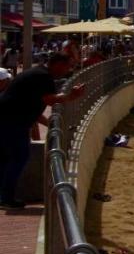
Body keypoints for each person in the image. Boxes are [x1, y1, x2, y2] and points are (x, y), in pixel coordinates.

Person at [0, 53, 86, 208]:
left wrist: (49, 123)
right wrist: (70, 96)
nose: (68, 70)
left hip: (9, 120)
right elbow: (49, 99)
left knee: (6, 159)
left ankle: (4, 196)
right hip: (12, 123)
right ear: (58, 64)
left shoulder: (38, 73)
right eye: (68, 66)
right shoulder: (43, 77)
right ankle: (6, 198)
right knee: (18, 158)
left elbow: (31, 104)